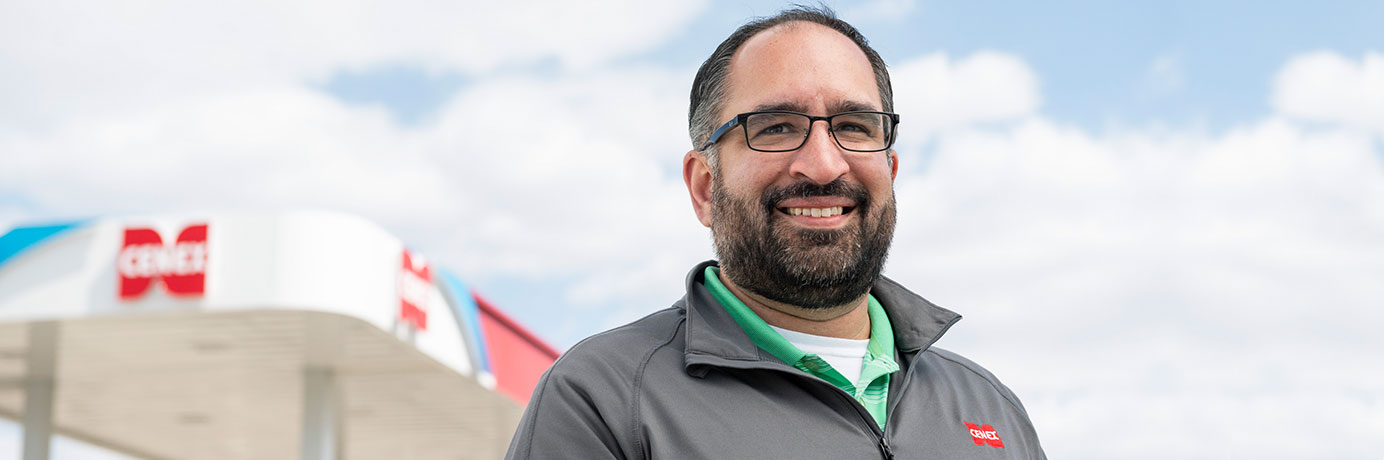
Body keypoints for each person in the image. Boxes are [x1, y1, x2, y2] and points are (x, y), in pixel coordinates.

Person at [505, 6, 1045, 459]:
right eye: (777, 128)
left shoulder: (990, 407)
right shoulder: (605, 398)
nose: (824, 164)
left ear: (891, 169)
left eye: (854, 127)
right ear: (703, 187)